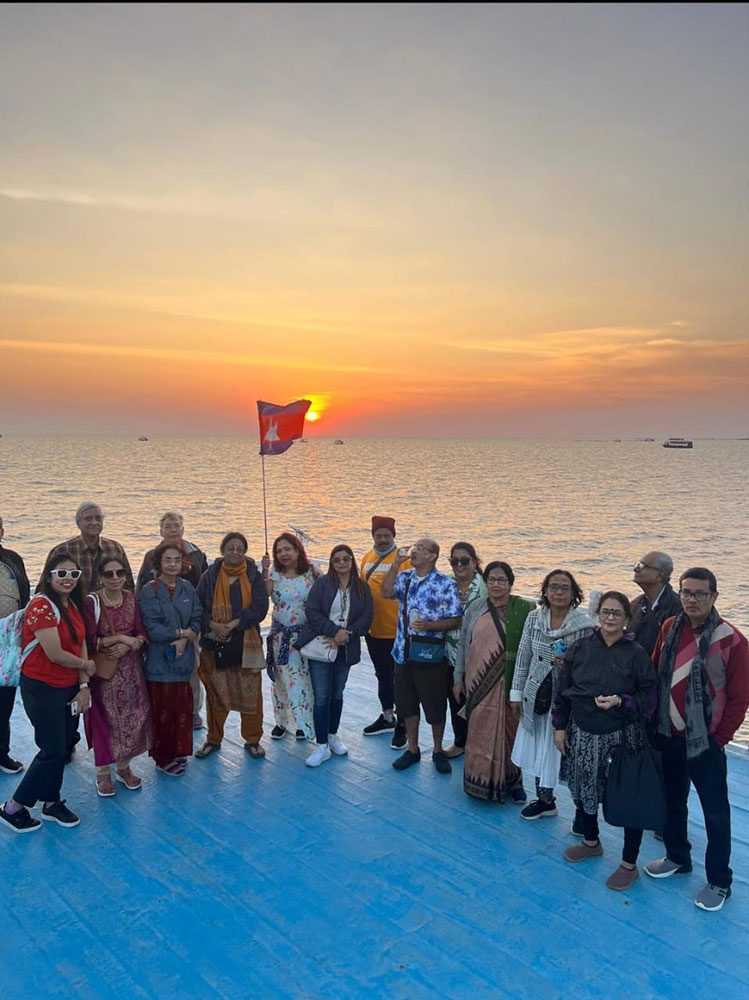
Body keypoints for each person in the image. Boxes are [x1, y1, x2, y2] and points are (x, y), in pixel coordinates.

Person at [644, 567, 749, 912]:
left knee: (715, 814)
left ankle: (720, 881)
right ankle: (678, 857)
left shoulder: (732, 640)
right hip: (669, 736)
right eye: (686, 592)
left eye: (700, 593)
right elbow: (655, 671)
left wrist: (719, 739)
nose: (692, 599)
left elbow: (740, 698)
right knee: (673, 802)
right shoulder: (668, 627)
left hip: (706, 744)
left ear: (714, 596)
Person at [553, 591, 657, 890]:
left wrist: (621, 701)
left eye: (617, 613)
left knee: (628, 798)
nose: (610, 617)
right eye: (606, 612)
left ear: (627, 619)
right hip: (583, 732)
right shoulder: (580, 648)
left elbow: (650, 697)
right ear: (597, 614)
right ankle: (591, 841)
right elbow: (563, 690)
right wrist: (559, 727)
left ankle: (628, 863)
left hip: (622, 736)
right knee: (583, 790)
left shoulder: (636, 654)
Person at [0, 552, 95, 833]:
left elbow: (80, 643)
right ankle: (13, 807)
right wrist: (86, 666)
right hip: (42, 688)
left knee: (62, 746)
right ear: (49, 575)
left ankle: (51, 802)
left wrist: (84, 686)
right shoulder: (41, 606)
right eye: (61, 573)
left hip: (68, 686)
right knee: (51, 749)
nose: (68, 579)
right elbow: (54, 653)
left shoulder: (72, 604)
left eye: (74, 574)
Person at [510, 569, 595, 820]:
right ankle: (545, 801)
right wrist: (516, 694)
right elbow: (523, 656)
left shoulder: (584, 626)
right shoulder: (534, 618)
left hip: (566, 701)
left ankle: (582, 813)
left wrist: (570, 664)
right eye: (554, 587)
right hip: (536, 695)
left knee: (571, 754)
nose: (559, 592)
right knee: (540, 748)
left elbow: (591, 666)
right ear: (545, 591)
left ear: (574, 593)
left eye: (565, 587)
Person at [454, 561, 534, 803]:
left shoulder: (524, 609)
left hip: (512, 683)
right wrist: (458, 678)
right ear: (485, 582)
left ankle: (513, 781)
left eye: (502, 580)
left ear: (510, 583)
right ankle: (478, 779)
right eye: (492, 580)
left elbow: (533, 646)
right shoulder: (475, 608)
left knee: (511, 731)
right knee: (480, 730)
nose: (496, 585)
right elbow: (463, 643)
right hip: (478, 681)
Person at [381, 538, 463, 775]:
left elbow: (456, 619)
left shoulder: (445, 584)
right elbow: (385, 592)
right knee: (407, 705)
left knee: (435, 706)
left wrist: (429, 625)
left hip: (430, 655)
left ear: (432, 556)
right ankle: (413, 749)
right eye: (414, 547)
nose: (414, 550)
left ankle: (437, 750)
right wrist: (395, 564)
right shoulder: (404, 577)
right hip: (402, 654)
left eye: (420, 548)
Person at [295, 544, 373, 767]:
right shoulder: (322, 584)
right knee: (322, 696)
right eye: (337, 559)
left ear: (352, 560)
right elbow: (311, 611)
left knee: (337, 694)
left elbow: (367, 617)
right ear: (331, 562)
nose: (341, 563)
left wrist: (346, 635)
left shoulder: (361, 587)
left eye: (345, 558)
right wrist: (333, 631)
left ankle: (332, 736)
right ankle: (321, 745)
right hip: (322, 644)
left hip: (345, 647)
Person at [195, 532, 269, 760]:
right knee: (216, 693)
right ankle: (213, 739)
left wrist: (235, 623)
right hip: (214, 642)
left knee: (251, 694)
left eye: (239, 548)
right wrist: (213, 625)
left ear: (245, 551)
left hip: (246, 642)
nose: (235, 552)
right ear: (222, 551)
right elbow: (197, 606)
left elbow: (260, 607)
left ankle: (253, 739)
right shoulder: (210, 575)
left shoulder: (253, 574)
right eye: (230, 548)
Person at [83, 556, 152, 796]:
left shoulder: (131, 599)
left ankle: (124, 768)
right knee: (104, 720)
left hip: (131, 671)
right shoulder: (92, 602)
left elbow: (141, 633)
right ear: (100, 578)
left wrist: (130, 645)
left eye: (120, 573)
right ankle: (103, 773)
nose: (115, 578)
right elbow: (88, 639)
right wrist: (121, 639)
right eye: (109, 574)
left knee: (131, 718)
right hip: (104, 672)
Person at [136, 511, 208, 731]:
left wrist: (190, 632)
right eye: (168, 526)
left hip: (189, 622)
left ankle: (193, 711)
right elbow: (141, 587)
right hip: (161, 621)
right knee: (160, 667)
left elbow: (205, 587)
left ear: (183, 528)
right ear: (160, 531)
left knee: (192, 669)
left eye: (177, 525)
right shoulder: (151, 556)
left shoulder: (196, 553)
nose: (173, 529)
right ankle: (160, 712)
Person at [138, 542, 202, 777]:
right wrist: (181, 633)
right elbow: (152, 627)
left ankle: (178, 749)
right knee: (162, 711)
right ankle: (162, 757)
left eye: (177, 560)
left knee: (182, 709)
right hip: (159, 661)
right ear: (158, 563)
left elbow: (197, 617)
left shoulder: (188, 587)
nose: (172, 564)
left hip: (183, 659)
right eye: (167, 560)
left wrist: (185, 639)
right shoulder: (150, 590)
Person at [262, 532, 321, 743]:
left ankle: (303, 723)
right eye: (279, 551)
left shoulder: (312, 571)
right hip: (281, 637)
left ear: (297, 549)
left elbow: (328, 593)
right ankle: (282, 721)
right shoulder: (274, 574)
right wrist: (264, 570)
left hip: (307, 636)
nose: (283, 554)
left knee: (303, 681)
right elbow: (264, 594)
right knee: (281, 681)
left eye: (287, 549)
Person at [360, 516, 411, 750]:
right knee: (382, 675)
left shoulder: (405, 560)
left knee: (401, 679)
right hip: (374, 630)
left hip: (399, 631)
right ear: (373, 536)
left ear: (393, 536)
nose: (382, 539)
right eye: (378, 535)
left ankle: (403, 723)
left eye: (386, 535)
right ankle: (387, 716)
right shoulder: (367, 558)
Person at [444, 542, 487, 759]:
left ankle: (481, 744)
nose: (459, 565)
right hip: (450, 652)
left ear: (474, 562)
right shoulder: (446, 585)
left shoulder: (485, 586)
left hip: (479, 653)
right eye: (455, 561)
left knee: (481, 701)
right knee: (455, 698)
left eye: (464, 560)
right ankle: (461, 741)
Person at [40, 501, 134, 597]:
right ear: (78, 523)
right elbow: (44, 586)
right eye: (88, 519)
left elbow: (128, 585)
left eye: (98, 518)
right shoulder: (62, 550)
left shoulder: (115, 548)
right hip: (74, 605)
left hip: (106, 606)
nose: (94, 522)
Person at [0, 515, 30, 774]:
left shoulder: (13, 559)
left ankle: (1, 753)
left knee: (4, 699)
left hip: (8, 640)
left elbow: (25, 592)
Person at [630, 552, 682, 656]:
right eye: (637, 565)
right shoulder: (635, 605)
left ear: (660, 575)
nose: (636, 569)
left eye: (642, 566)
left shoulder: (677, 607)